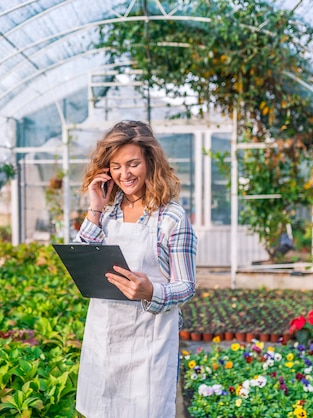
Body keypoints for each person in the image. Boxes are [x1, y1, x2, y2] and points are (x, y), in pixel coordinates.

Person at [74, 120, 197, 417]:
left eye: (132, 164)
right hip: (105, 334)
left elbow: (187, 285)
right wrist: (96, 207)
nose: (124, 174)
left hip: (149, 342)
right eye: (115, 166)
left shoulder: (172, 217)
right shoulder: (108, 212)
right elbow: (80, 255)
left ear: (150, 162)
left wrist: (151, 291)